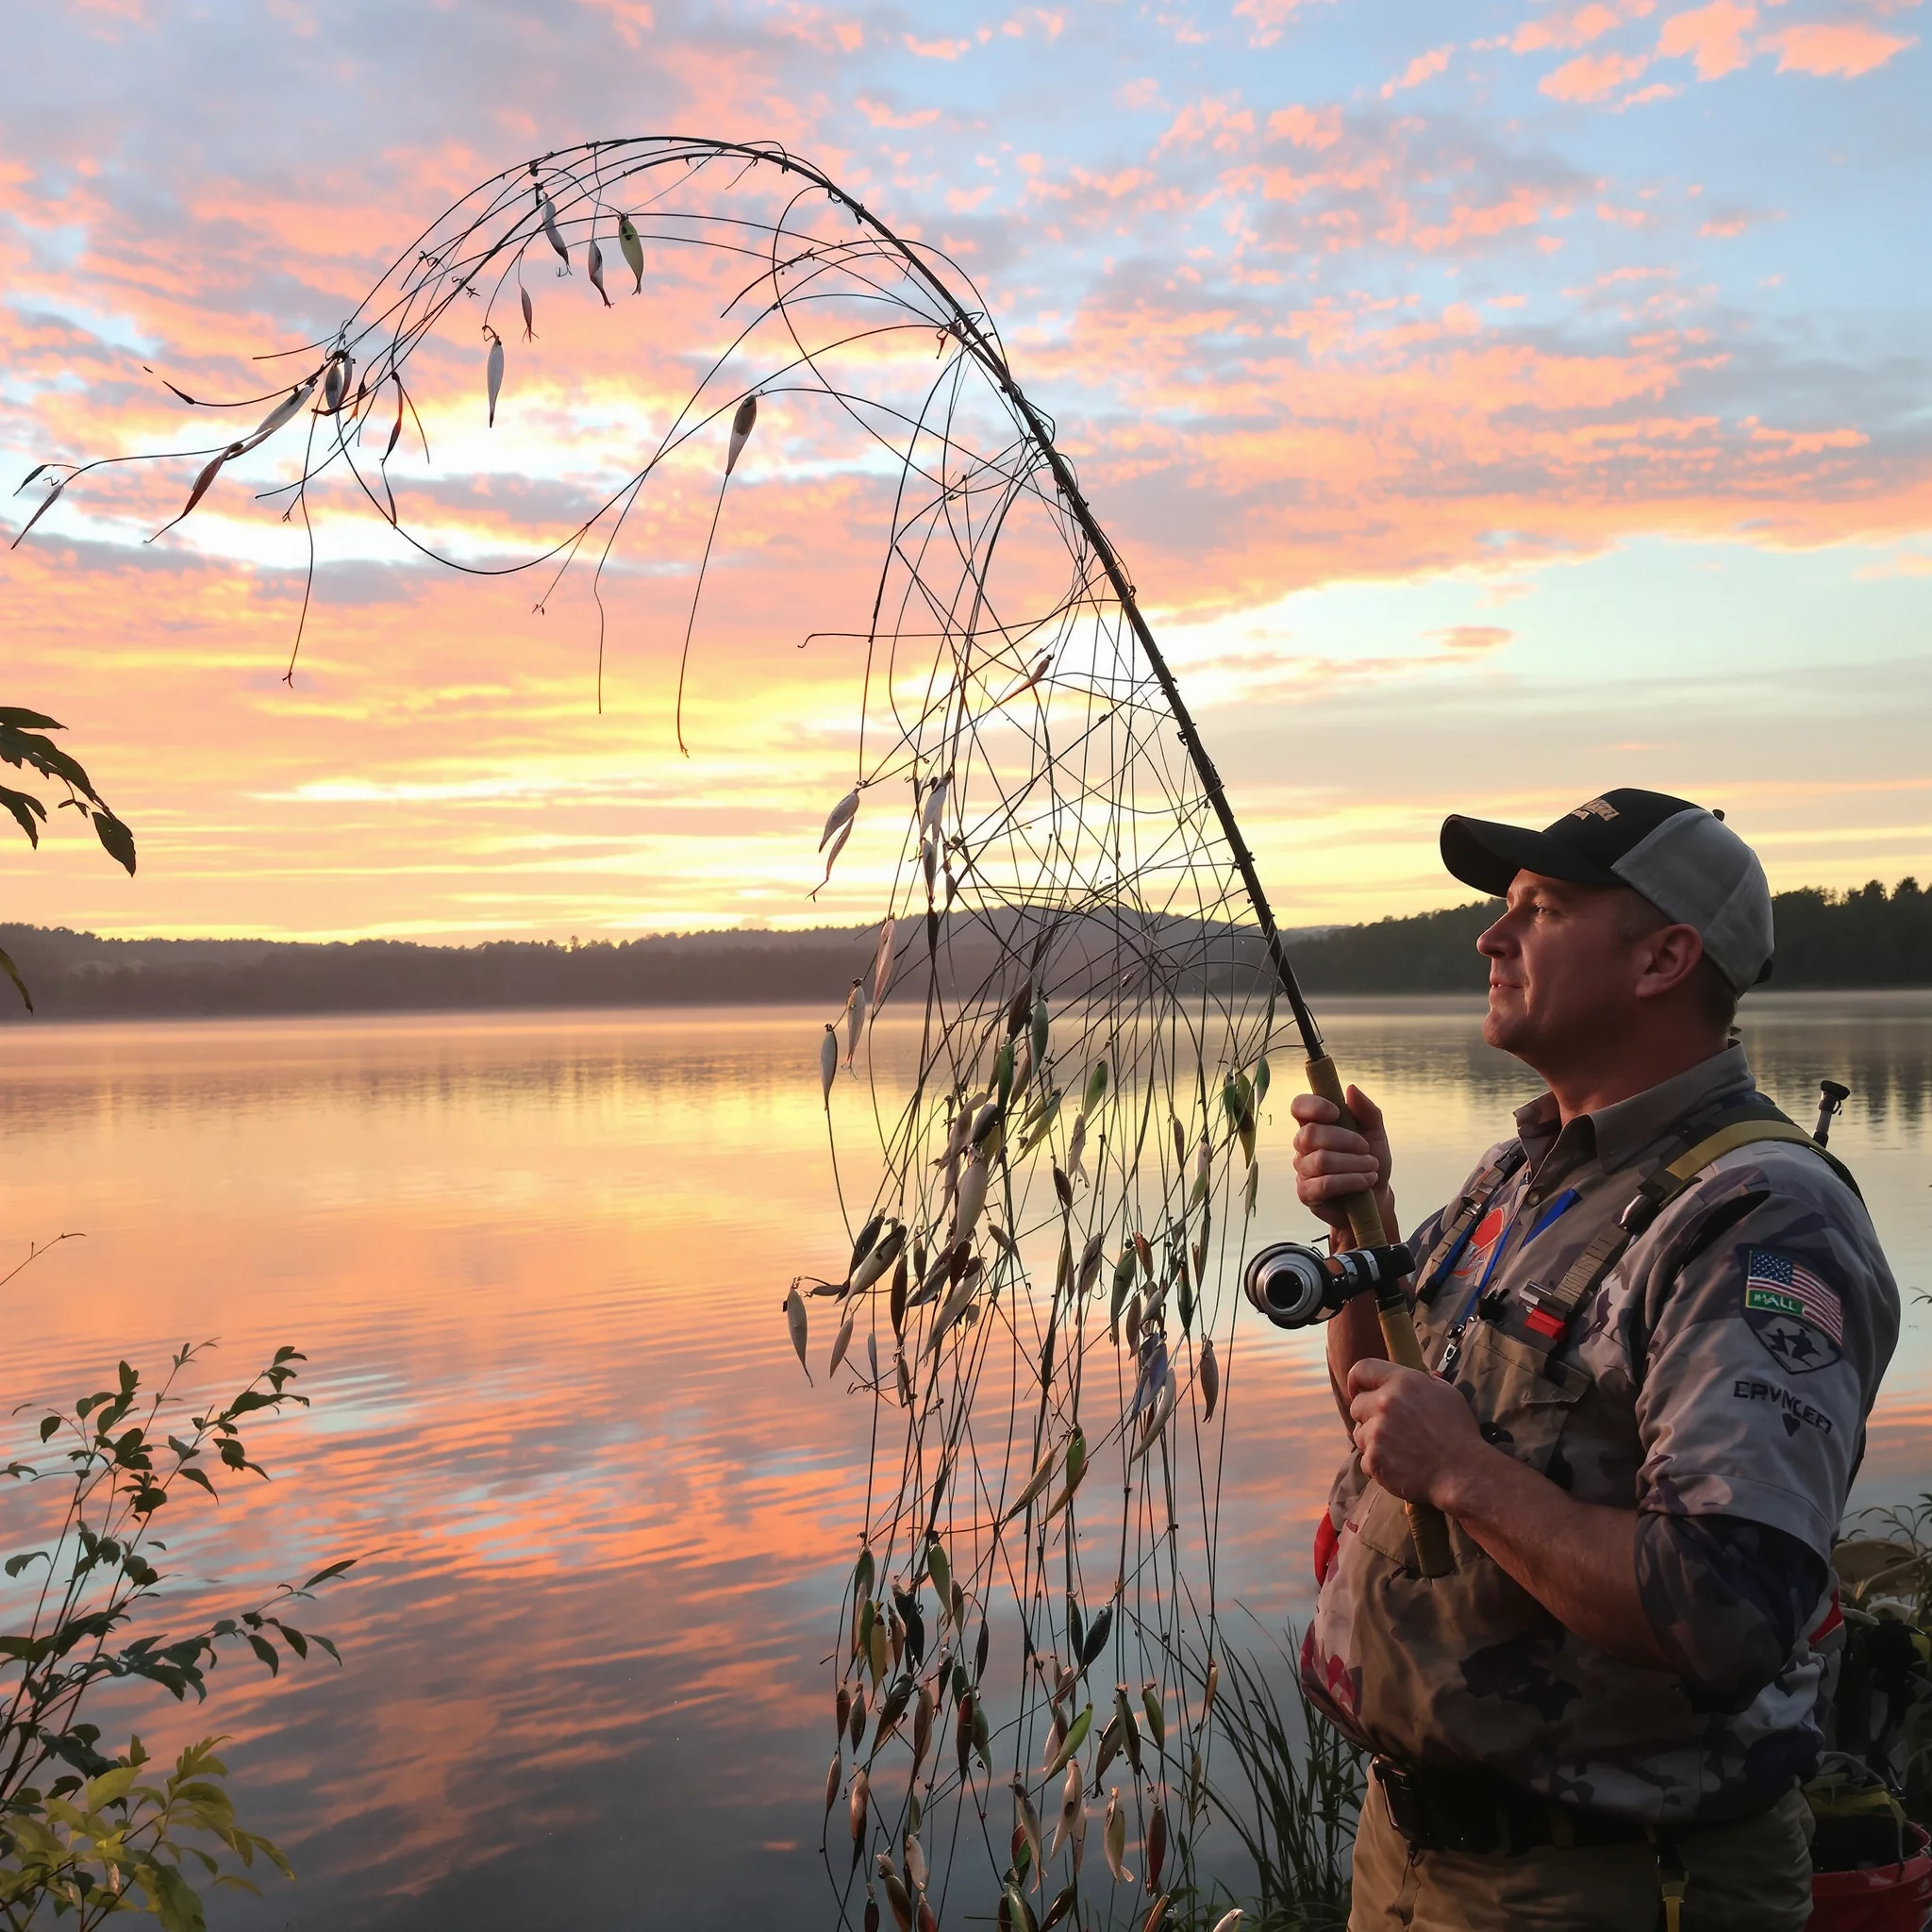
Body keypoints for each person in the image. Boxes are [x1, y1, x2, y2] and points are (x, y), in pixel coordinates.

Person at [1290, 789, 1900, 1931]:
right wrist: (1359, 1230)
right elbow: (1379, 1427)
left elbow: (1721, 1608)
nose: (1490, 934)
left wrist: (1465, 1472)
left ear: (1664, 955)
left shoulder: (1762, 1217)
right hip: (1407, 1857)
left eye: (1541, 906)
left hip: (1618, 1883)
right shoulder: (1513, 1174)